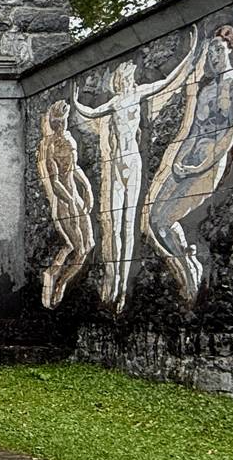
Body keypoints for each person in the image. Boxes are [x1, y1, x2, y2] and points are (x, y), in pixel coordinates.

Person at [69, 35, 196, 311]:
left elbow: (168, 80)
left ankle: (123, 287)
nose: (125, 80)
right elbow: (90, 112)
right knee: (114, 224)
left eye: (127, 76)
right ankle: (113, 282)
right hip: (117, 162)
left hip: (132, 161)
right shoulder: (115, 103)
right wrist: (75, 98)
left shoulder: (139, 94)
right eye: (123, 78)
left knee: (128, 224)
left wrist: (191, 52)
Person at [141, 28, 233, 301]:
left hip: (208, 163)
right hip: (187, 162)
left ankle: (191, 271)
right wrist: (178, 162)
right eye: (210, 51)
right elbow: (193, 131)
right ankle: (186, 264)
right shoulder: (207, 89)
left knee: (166, 219)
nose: (213, 55)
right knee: (155, 220)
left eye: (218, 49)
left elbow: (231, 131)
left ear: (231, 50)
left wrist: (201, 166)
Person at [36, 99, 96, 308]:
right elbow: (54, 182)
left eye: (63, 120)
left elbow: (74, 167)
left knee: (87, 246)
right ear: (53, 123)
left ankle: (61, 281)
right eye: (58, 121)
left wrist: (86, 187)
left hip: (74, 197)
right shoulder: (50, 146)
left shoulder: (69, 140)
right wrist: (69, 201)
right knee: (76, 246)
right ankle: (54, 279)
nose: (61, 125)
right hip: (64, 202)